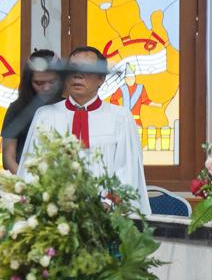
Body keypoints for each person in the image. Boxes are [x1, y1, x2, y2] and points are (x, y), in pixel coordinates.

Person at [18, 46, 151, 214]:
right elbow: (31, 170)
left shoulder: (120, 117)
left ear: (101, 78)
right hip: (55, 215)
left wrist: (107, 203)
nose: (77, 75)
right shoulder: (46, 116)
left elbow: (127, 171)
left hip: (106, 215)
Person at [1, 49, 62, 173]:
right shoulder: (17, 108)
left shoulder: (68, 106)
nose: (46, 88)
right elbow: (8, 159)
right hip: (24, 177)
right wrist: (25, 181)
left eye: (52, 81)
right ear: (28, 82)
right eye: (39, 83)